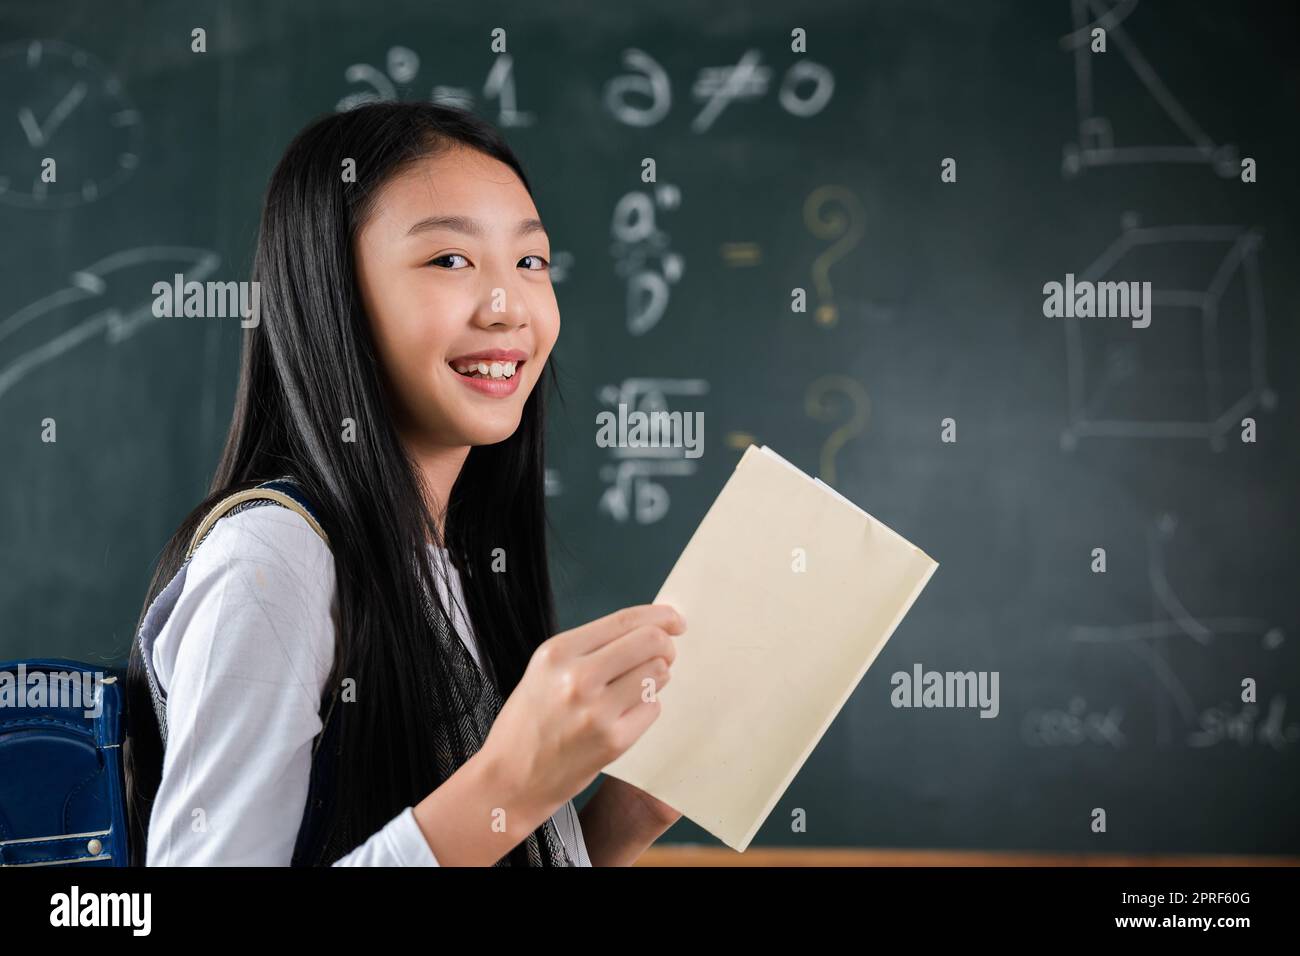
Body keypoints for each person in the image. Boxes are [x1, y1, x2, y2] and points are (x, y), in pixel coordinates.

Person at [124, 101, 685, 866]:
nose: (507, 306)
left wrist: (621, 818)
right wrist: (509, 785)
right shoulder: (270, 559)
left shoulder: (452, 564)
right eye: (450, 261)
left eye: (530, 262)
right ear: (333, 296)